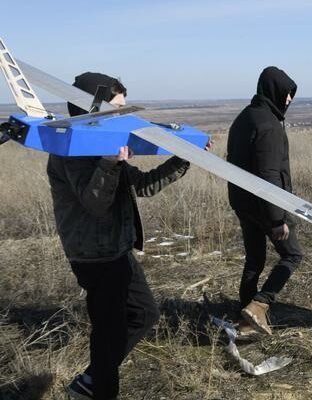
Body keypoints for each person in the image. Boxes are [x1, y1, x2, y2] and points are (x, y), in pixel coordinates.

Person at [51, 72, 198, 400]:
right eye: (117, 110)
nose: (124, 116)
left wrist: (184, 158)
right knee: (109, 332)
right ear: (93, 110)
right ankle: (99, 388)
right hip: (94, 256)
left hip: (116, 250)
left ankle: (92, 380)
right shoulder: (69, 150)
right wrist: (109, 164)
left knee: (144, 314)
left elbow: (143, 185)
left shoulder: (105, 144)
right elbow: (95, 205)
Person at [227, 66, 302, 336]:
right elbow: (269, 175)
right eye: (287, 93)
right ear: (274, 91)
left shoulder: (245, 117)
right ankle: (260, 304)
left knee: (255, 260)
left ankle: (245, 320)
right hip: (264, 206)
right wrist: (277, 218)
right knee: (293, 254)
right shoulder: (269, 126)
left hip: (243, 202)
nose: (289, 99)